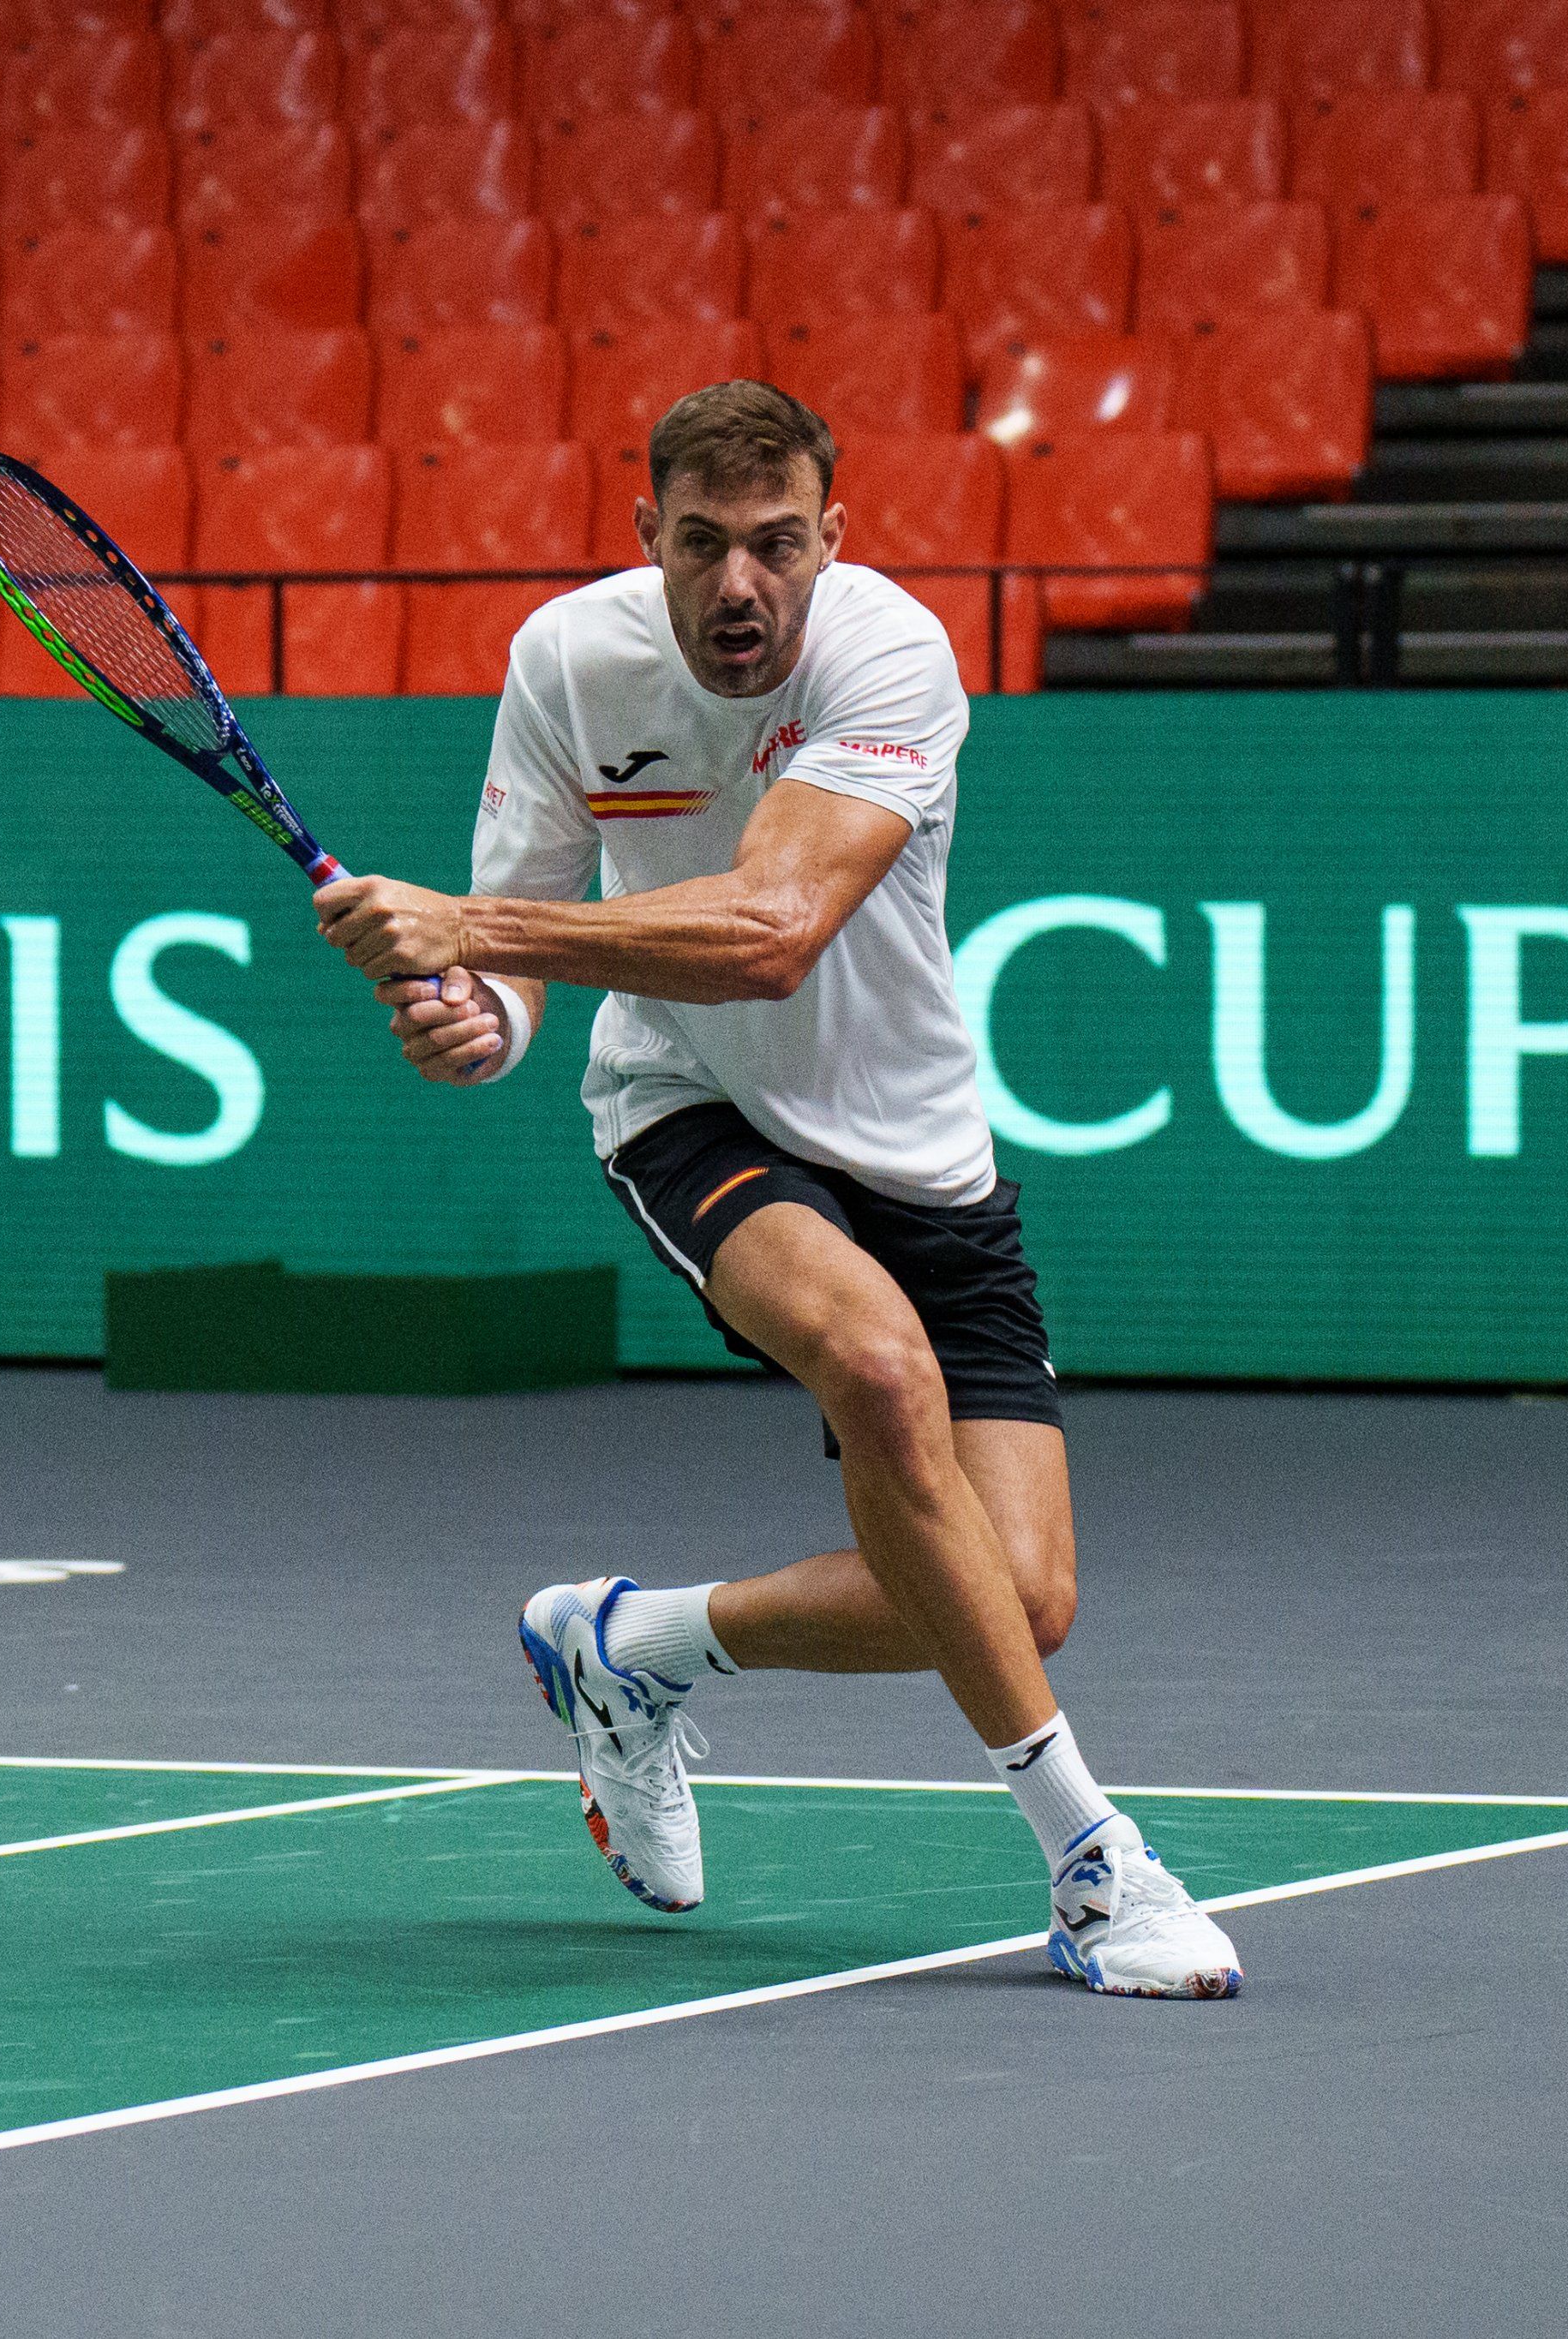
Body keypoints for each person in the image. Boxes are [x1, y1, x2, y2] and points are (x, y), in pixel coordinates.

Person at [313, 380, 1241, 2000]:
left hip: (920, 1146)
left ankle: (632, 1645)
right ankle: (1096, 1863)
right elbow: (517, 979)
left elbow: (772, 929)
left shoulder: (889, 654)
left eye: (775, 545)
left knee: (1019, 1598)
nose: (740, 585)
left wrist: (474, 936)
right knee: (878, 1365)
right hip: (687, 1104)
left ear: (833, 536)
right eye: (701, 545)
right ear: (644, 537)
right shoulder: (567, 661)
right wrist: (476, 1026)